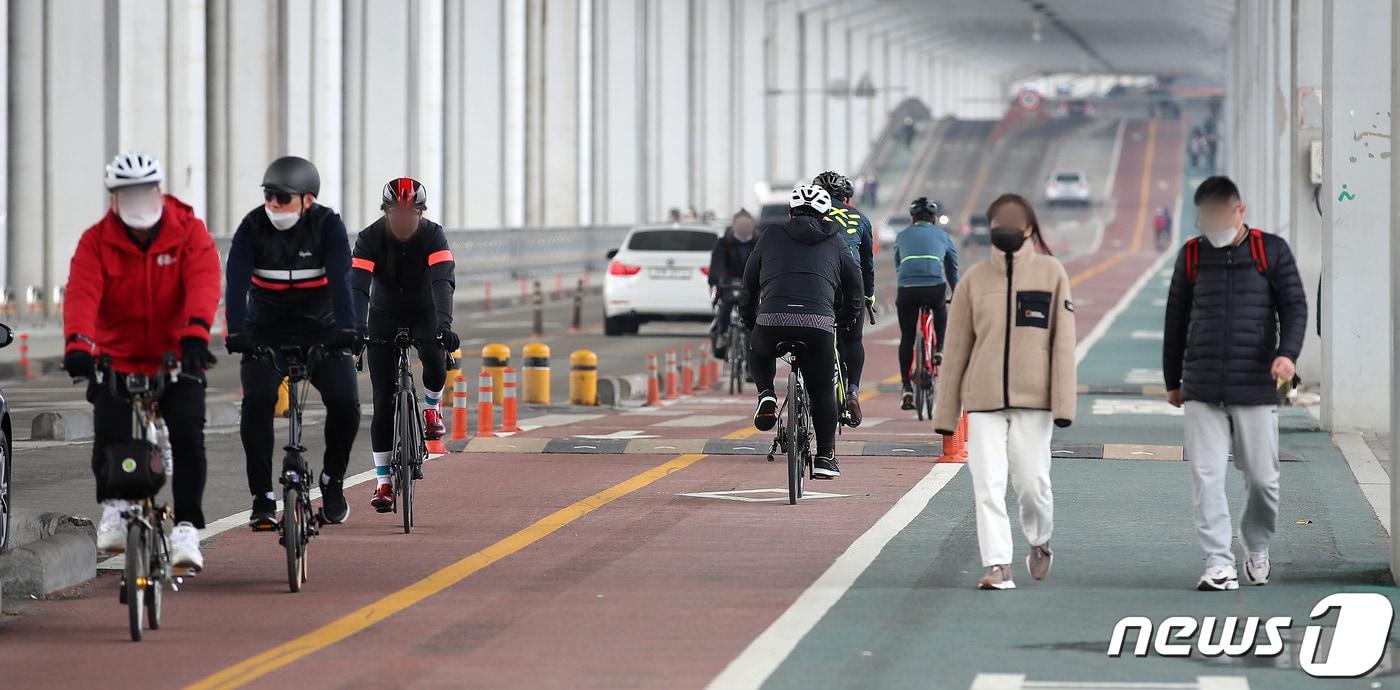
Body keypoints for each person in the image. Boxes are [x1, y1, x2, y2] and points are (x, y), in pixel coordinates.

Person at [63, 152, 222, 570]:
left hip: (177, 352)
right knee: (110, 429)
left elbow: (204, 281)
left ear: (157, 190)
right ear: (114, 198)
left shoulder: (187, 230)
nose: (135, 200)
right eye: (124, 193)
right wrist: (78, 344)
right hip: (118, 354)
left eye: (142, 191)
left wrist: (195, 333)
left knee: (188, 435)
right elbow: (82, 292)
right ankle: (115, 506)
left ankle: (187, 526)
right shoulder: (96, 241)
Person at [1163, 176, 1307, 591]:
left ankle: (1256, 543)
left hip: (1256, 384)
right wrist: (1173, 379)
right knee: (1206, 475)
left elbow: (1294, 305)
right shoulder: (1191, 255)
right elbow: (1176, 318)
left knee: (1263, 478)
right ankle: (1218, 561)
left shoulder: (1270, 251)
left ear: (1239, 211)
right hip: (1203, 385)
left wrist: (1287, 354)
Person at [933, 193, 1076, 591]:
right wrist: (946, 416)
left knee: (1033, 484)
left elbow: (1063, 344)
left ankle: (1040, 539)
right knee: (987, 483)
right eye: (997, 223)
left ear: (1029, 228)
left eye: (1012, 222)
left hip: (1035, 400)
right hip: (983, 400)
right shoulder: (974, 281)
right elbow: (957, 349)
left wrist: (1064, 404)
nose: (1004, 229)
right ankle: (998, 565)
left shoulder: (1051, 274)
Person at [225, 156, 361, 528]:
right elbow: (235, 283)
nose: (273, 205)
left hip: (322, 328)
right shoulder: (252, 227)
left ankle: (332, 481)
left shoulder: (328, 226)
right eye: (269, 196)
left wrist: (348, 330)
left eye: (282, 199)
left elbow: (341, 280)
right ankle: (262, 497)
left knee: (346, 403)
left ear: (308, 200)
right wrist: (236, 331)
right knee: (256, 402)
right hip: (266, 331)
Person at [353, 178, 460, 512]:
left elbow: (443, 281)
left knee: (434, 354)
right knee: (384, 401)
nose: (404, 220)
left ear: (420, 213)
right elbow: (357, 288)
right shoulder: (369, 239)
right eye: (397, 213)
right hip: (383, 315)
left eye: (410, 214)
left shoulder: (433, 235)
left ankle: (431, 407)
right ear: (386, 212)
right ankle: (384, 481)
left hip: (425, 312)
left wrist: (445, 325)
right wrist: (356, 327)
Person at [742, 184, 863, 479]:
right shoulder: (835, 241)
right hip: (818, 323)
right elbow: (854, 285)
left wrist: (749, 319)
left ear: (791, 212)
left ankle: (766, 394)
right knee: (822, 389)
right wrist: (846, 318)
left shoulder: (769, 235)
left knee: (758, 346)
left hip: (772, 319)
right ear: (825, 215)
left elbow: (749, 283)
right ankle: (825, 457)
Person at [813, 170, 875, 426]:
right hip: (853, 287)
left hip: (819, 285)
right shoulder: (860, 218)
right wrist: (868, 296)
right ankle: (852, 391)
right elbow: (868, 264)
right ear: (845, 197)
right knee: (852, 339)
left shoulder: (811, 215)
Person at [894, 197, 959, 410]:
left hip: (907, 289)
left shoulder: (902, 236)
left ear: (912, 219)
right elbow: (951, 269)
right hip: (933, 286)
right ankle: (939, 347)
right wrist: (955, 291)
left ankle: (906, 388)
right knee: (940, 306)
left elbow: (898, 265)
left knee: (908, 337)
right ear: (934, 218)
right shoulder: (944, 236)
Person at [707, 209, 758, 360]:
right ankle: (722, 335)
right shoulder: (723, 243)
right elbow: (716, 265)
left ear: (752, 226)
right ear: (734, 226)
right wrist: (714, 280)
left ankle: (750, 366)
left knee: (751, 323)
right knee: (724, 309)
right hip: (729, 284)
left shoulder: (759, 242)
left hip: (751, 286)